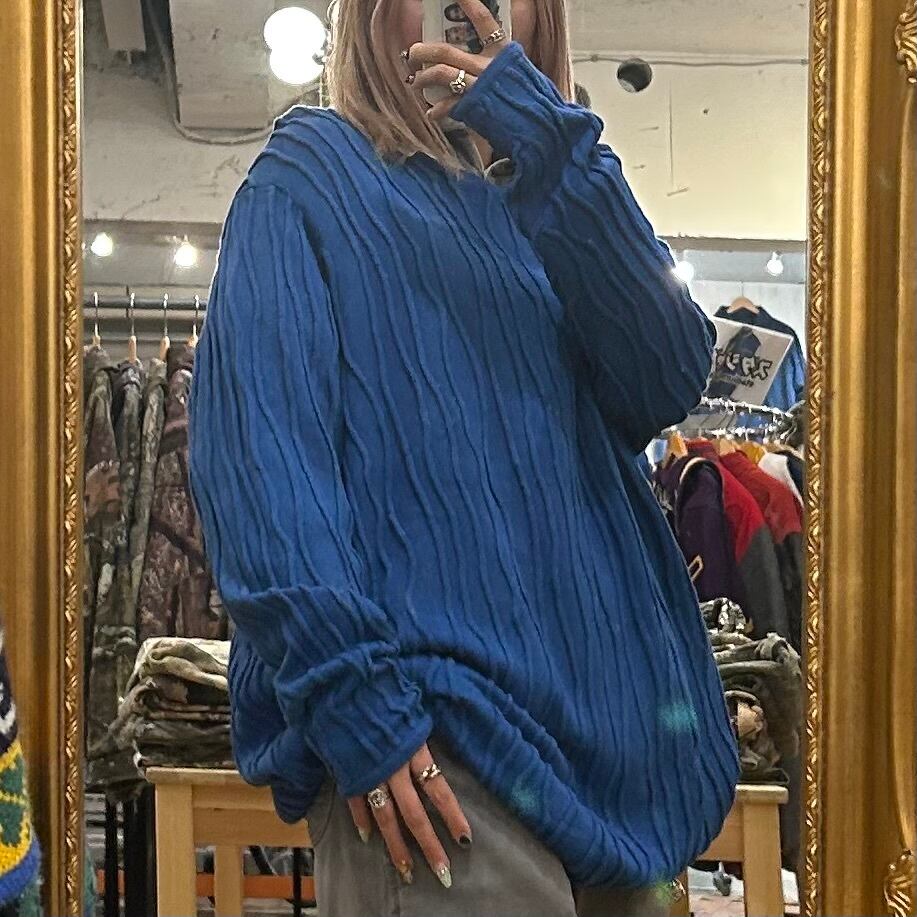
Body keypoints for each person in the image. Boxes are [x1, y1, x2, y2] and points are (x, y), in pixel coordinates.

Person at [188, 0, 740, 914]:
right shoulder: (309, 177)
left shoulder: (549, 201)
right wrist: (356, 700)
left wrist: (546, 141)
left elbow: (667, 373)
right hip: (441, 742)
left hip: (616, 759)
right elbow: (262, 465)